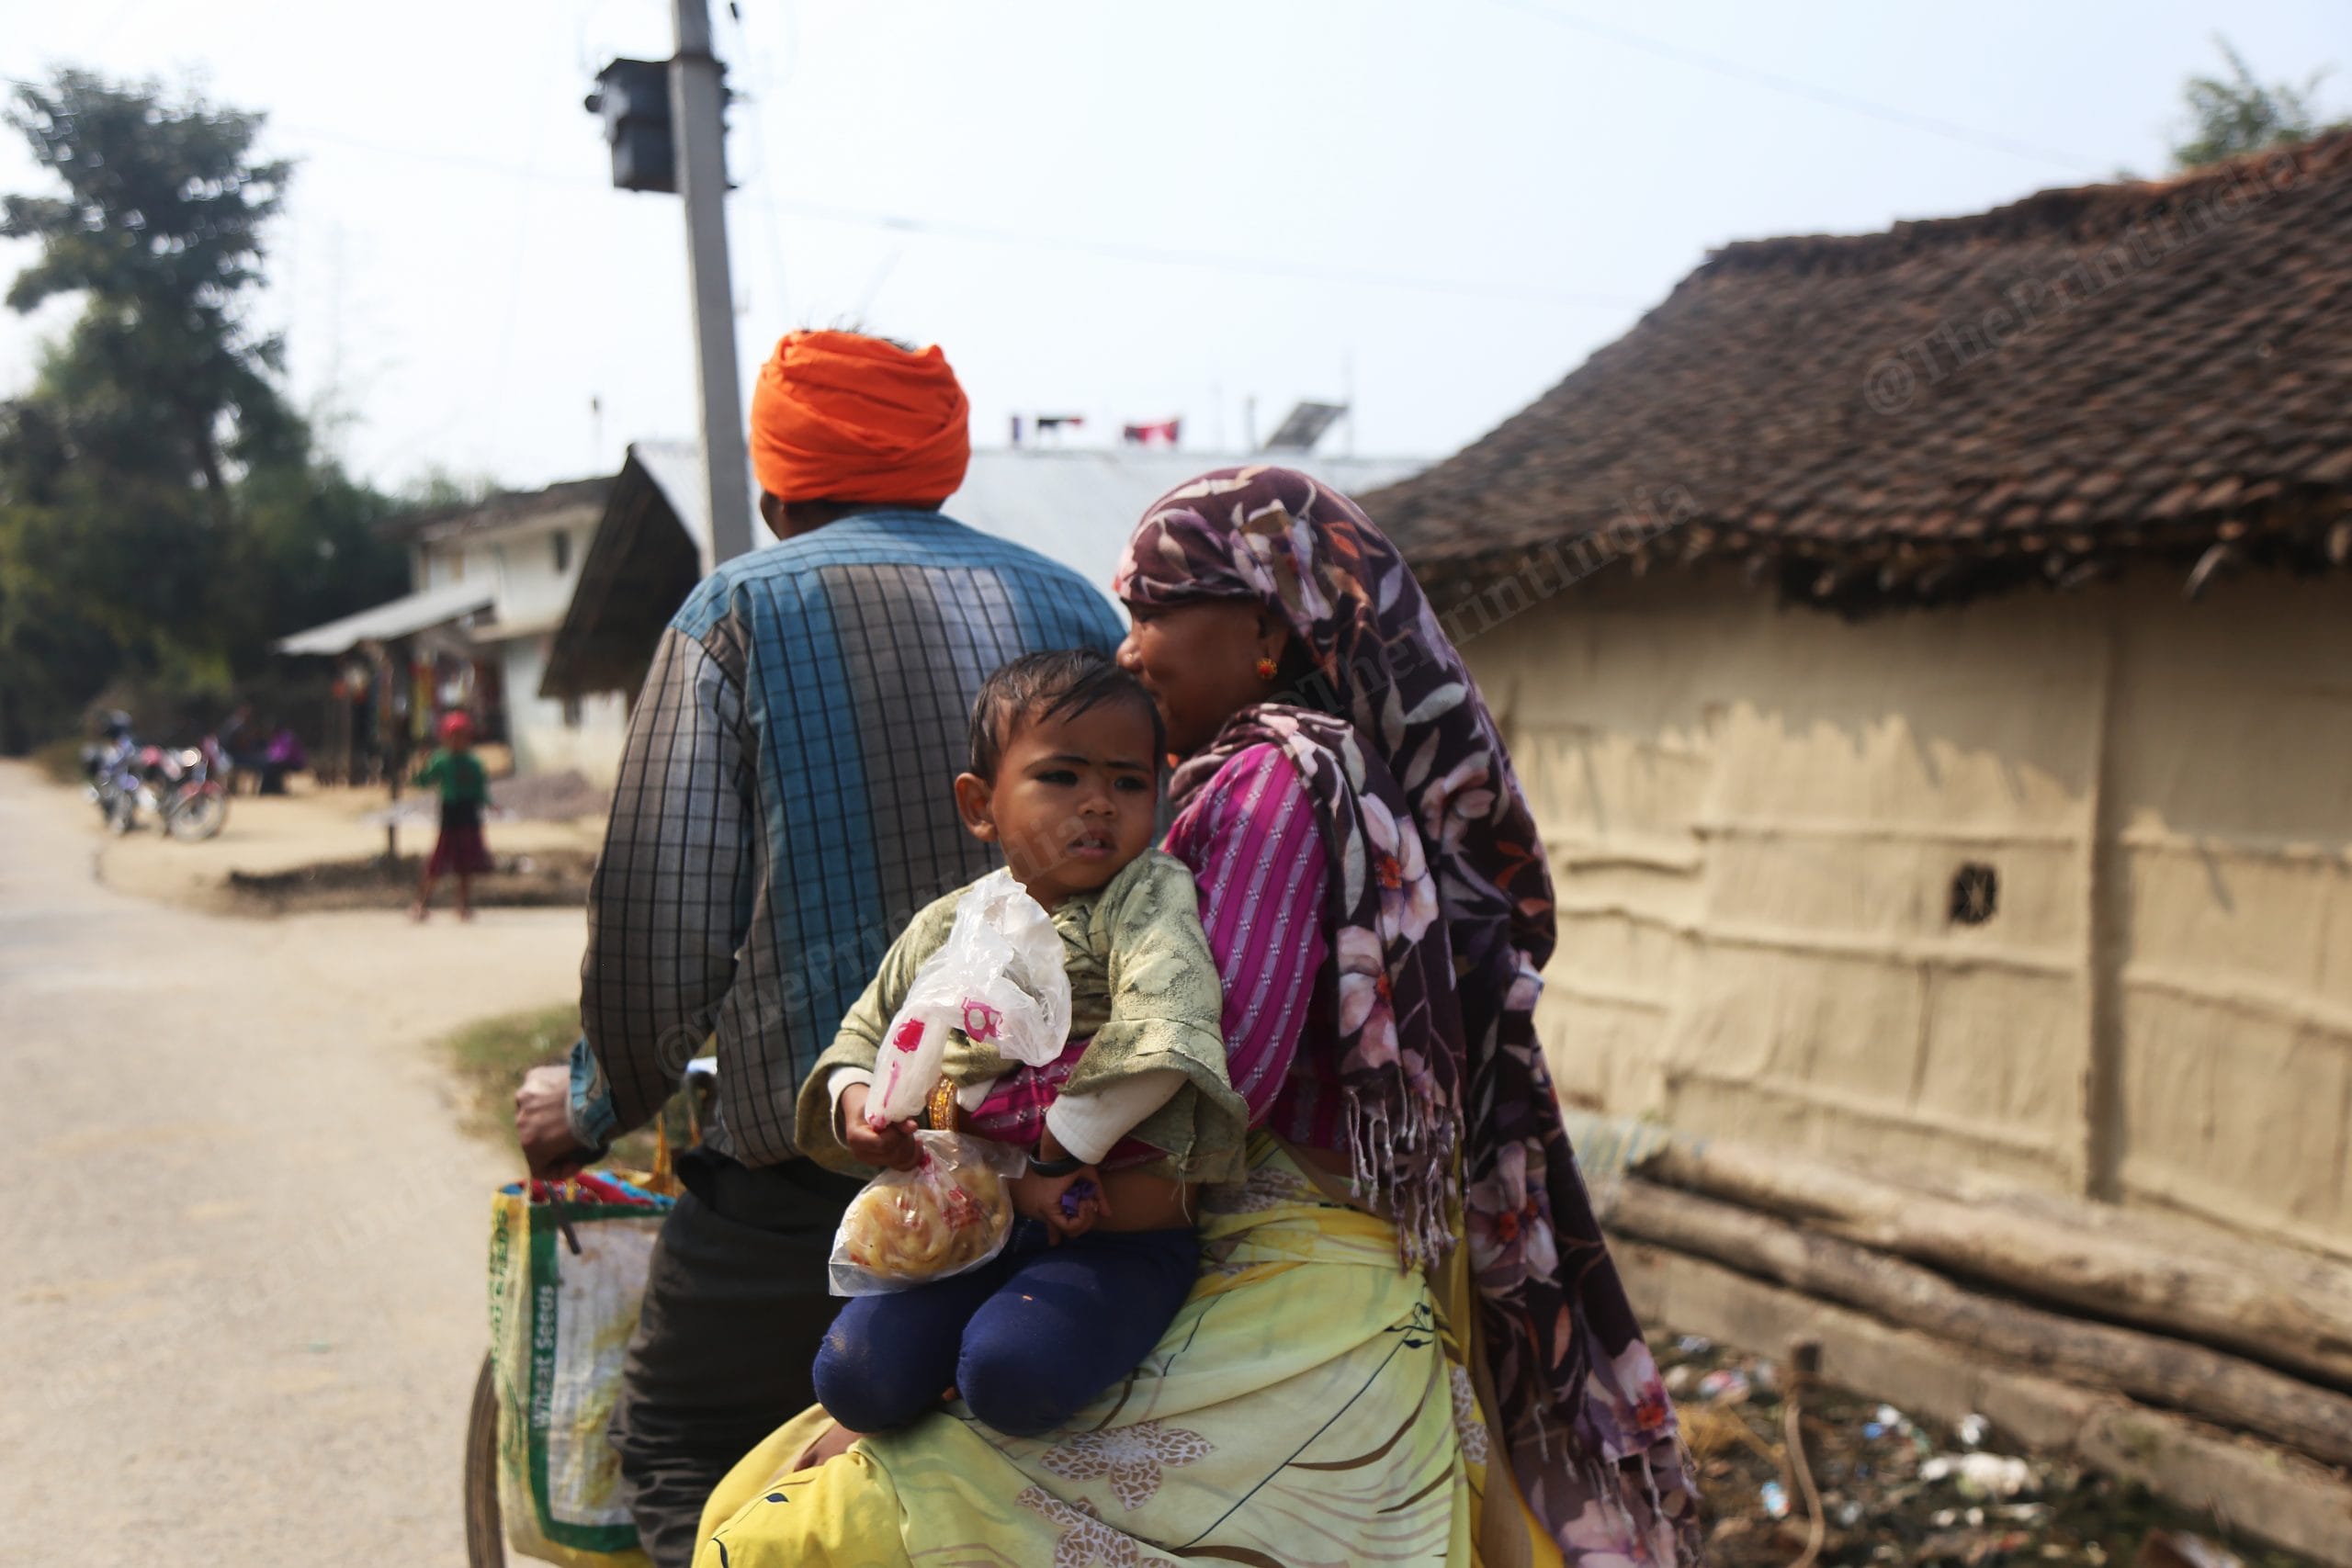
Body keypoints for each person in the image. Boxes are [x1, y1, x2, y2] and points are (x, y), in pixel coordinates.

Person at [694, 467, 1698, 1567]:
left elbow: (1235, 1059)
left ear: (1265, 623)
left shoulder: (1274, 779)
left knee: (834, 1517)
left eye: (1153, 609)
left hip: (1251, 1240)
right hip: (1151, 1209)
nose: (1129, 646)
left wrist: (997, 1129)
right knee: (861, 1402)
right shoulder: (1194, 792)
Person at [509, 330, 1125, 1568]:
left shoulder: (736, 610)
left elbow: (663, 924)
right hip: (1063, 1176)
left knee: (678, 1440)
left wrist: (591, 1102)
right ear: (942, 469)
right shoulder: (1076, 607)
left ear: (782, 486)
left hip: (815, 1179)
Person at [803, 649, 1246, 1441]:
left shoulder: (1146, 897)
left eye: (1128, 782)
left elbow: (1168, 1021)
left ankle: (993, 1346)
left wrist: (1056, 1150)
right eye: (1063, 777)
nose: (1099, 805)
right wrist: (860, 1106)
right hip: (966, 1228)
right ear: (981, 804)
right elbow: (863, 1035)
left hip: (1118, 1241)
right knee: (853, 1375)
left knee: (1010, 1370)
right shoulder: (949, 923)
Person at [411, 710, 492, 920]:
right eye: (453, 736)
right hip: (450, 814)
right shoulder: (440, 761)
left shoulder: (473, 764)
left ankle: (462, 905)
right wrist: (420, 768)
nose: (457, 741)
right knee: (437, 863)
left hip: (468, 814)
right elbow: (424, 781)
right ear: (445, 738)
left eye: (461, 736)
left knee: (465, 865)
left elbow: (480, 790)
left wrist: (489, 804)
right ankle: (421, 903)